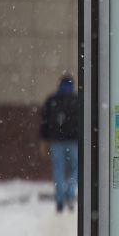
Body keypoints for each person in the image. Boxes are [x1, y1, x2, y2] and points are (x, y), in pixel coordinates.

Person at [39, 75, 80, 212]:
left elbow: (44, 122)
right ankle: (70, 194)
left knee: (58, 170)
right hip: (74, 141)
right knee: (75, 169)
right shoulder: (77, 100)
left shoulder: (52, 100)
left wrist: (44, 140)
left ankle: (59, 200)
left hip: (56, 141)